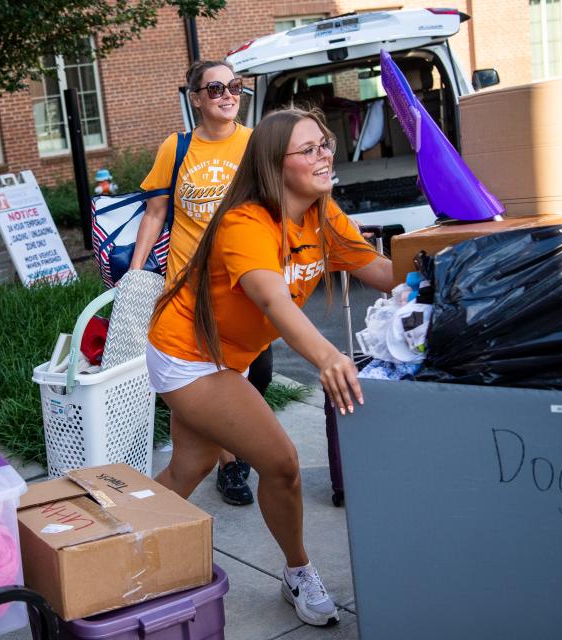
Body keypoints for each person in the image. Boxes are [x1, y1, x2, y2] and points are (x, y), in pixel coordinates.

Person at [146, 107, 394, 626]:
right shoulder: (246, 222)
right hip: (186, 355)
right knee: (280, 462)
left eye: (324, 144)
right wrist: (326, 356)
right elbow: (273, 299)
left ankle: (123, 547)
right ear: (274, 165)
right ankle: (298, 571)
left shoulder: (323, 216)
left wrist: (453, 259)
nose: (325, 154)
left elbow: (381, 270)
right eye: (309, 149)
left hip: (222, 356)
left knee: (190, 468)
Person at [131, 59, 261, 505]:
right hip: (187, 290)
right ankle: (228, 465)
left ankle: (211, 457)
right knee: (204, 380)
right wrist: (135, 272)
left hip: (242, 286)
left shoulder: (256, 144)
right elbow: (155, 213)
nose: (227, 95)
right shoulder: (178, 147)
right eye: (216, 89)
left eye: (235, 87)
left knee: (244, 375)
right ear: (196, 99)